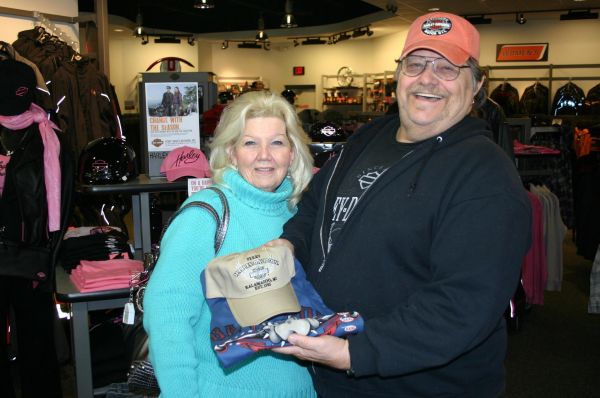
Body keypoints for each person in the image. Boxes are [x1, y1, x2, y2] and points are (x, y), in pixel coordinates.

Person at [269, 11, 532, 397]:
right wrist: (289, 244)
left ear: (476, 84)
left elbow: (462, 304)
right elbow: (314, 208)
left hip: (418, 385)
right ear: (397, 76)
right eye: (416, 64)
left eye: (447, 68)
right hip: (336, 375)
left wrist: (353, 352)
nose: (427, 78)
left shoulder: (486, 177)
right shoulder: (368, 138)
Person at [143, 90, 316, 397]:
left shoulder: (302, 215)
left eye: (277, 142)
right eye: (250, 143)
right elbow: (168, 321)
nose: (265, 155)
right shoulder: (205, 215)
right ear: (232, 153)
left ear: (293, 153)